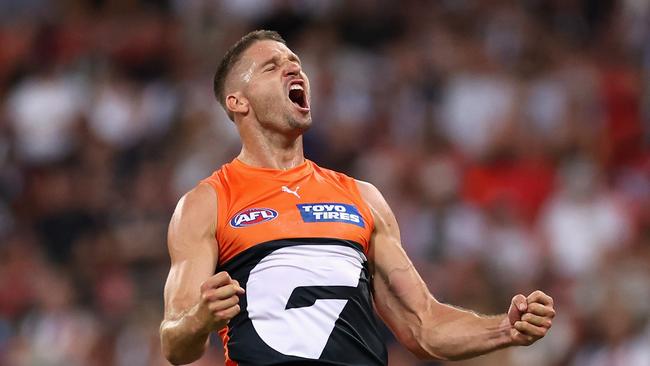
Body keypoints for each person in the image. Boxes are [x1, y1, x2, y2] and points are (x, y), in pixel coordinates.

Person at [160, 30, 555, 366]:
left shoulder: (361, 198)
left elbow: (423, 326)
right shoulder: (208, 202)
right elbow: (174, 343)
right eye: (271, 66)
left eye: (294, 62)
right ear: (238, 101)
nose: (294, 69)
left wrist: (506, 327)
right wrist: (199, 318)